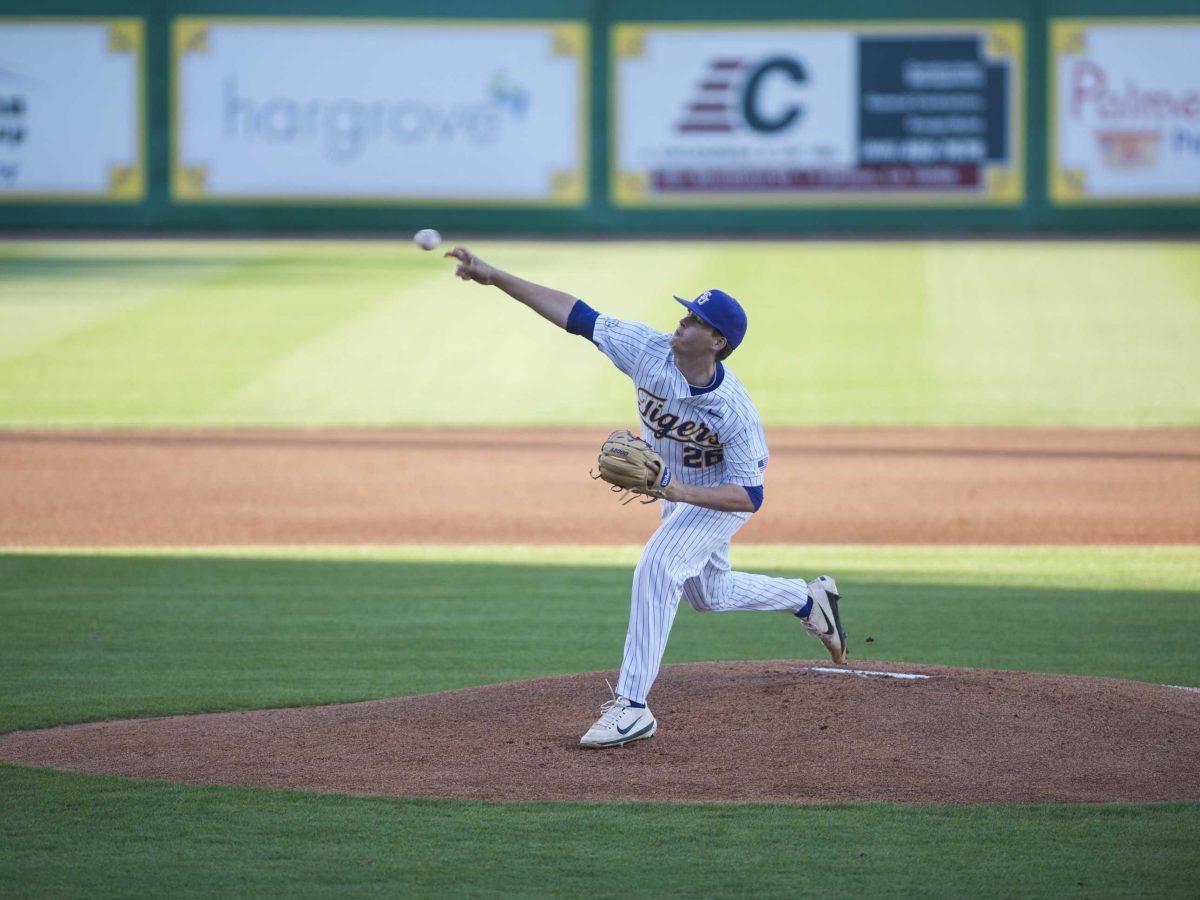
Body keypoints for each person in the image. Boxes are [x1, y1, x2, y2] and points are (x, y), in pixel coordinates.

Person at [444, 246, 848, 749]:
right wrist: (495, 276)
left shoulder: (734, 412)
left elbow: (750, 496)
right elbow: (576, 314)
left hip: (717, 497)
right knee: (708, 594)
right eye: (685, 312)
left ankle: (632, 706)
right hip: (672, 491)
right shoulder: (646, 349)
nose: (682, 321)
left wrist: (678, 491)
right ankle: (807, 600)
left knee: (657, 566)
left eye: (696, 319)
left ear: (717, 341)